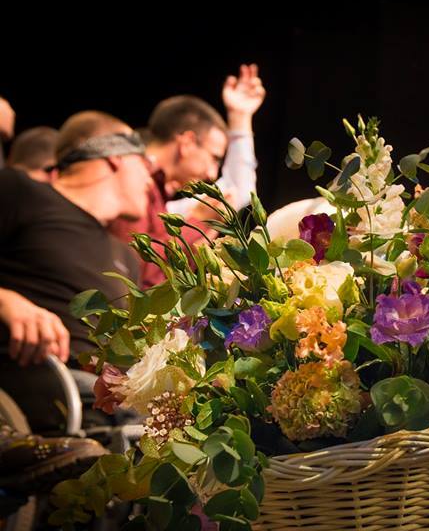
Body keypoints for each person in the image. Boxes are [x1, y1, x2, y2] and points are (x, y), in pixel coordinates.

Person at [0, 111, 152, 428]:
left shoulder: (126, 257)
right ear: (116, 158)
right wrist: (6, 302)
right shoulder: (20, 192)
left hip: (113, 401)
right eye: (144, 165)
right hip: (42, 388)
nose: (150, 180)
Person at [109, 64, 266, 287]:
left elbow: (235, 194)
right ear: (188, 143)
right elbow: (135, 272)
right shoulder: (131, 181)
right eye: (213, 157)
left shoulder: (161, 195)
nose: (212, 173)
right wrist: (198, 221)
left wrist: (240, 117)